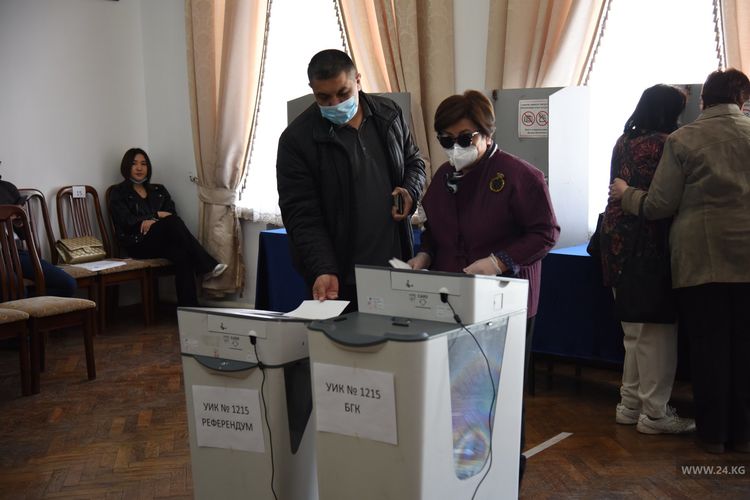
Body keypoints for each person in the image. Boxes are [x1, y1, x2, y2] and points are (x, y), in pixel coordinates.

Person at [408, 90, 560, 481]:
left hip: (504, 304)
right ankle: (460, 477)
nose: (454, 148)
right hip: (452, 301)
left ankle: (505, 476)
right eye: (446, 140)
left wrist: (498, 261)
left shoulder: (520, 176)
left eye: (464, 138)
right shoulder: (444, 178)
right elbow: (435, 231)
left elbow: (545, 232)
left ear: (487, 133)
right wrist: (424, 255)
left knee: (500, 395)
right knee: (458, 394)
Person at [610, 68, 750, 454]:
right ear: (742, 101)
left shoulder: (684, 139)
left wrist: (626, 195)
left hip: (701, 259)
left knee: (708, 349)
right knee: (744, 349)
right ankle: (742, 435)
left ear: (704, 100)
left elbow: (659, 204)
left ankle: (713, 436)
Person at [276, 49, 426, 307]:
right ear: (312, 90)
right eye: (324, 97)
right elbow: (302, 215)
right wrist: (323, 268)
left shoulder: (389, 114)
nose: (335, 104)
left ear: (358, 80)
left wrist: (410, 191)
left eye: (343, 93)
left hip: (395, 265)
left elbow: (414, 162)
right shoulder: (297, 140)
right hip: (342, 275)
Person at [600, 85, 695, 435]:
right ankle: (655, 414)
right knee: (657, 334)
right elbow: (666, 200)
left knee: (634, 332)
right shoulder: (669, 143)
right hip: (650, 243)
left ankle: (629, 405)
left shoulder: (622, 141)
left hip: (615, 243)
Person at [109, 148, 226, 307]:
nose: (139, 168)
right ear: (126, 166)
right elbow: (127, 221)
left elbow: (171, 215)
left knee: (182, 255)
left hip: (161, 242)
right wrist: (156, 215)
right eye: (134, 164)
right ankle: (205, 264)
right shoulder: (118, 192)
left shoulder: (159, 191)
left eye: (143, 164)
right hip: (137, 243)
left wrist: (153, 220)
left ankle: (189, 311)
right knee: (171, 223)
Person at [0, 177, 76, 297]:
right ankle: (23, 301)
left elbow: (23, 235)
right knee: (16, 291)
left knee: (68, 284)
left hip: (15, 252)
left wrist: (20, 221)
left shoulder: (8, 188)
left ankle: (29, 303)